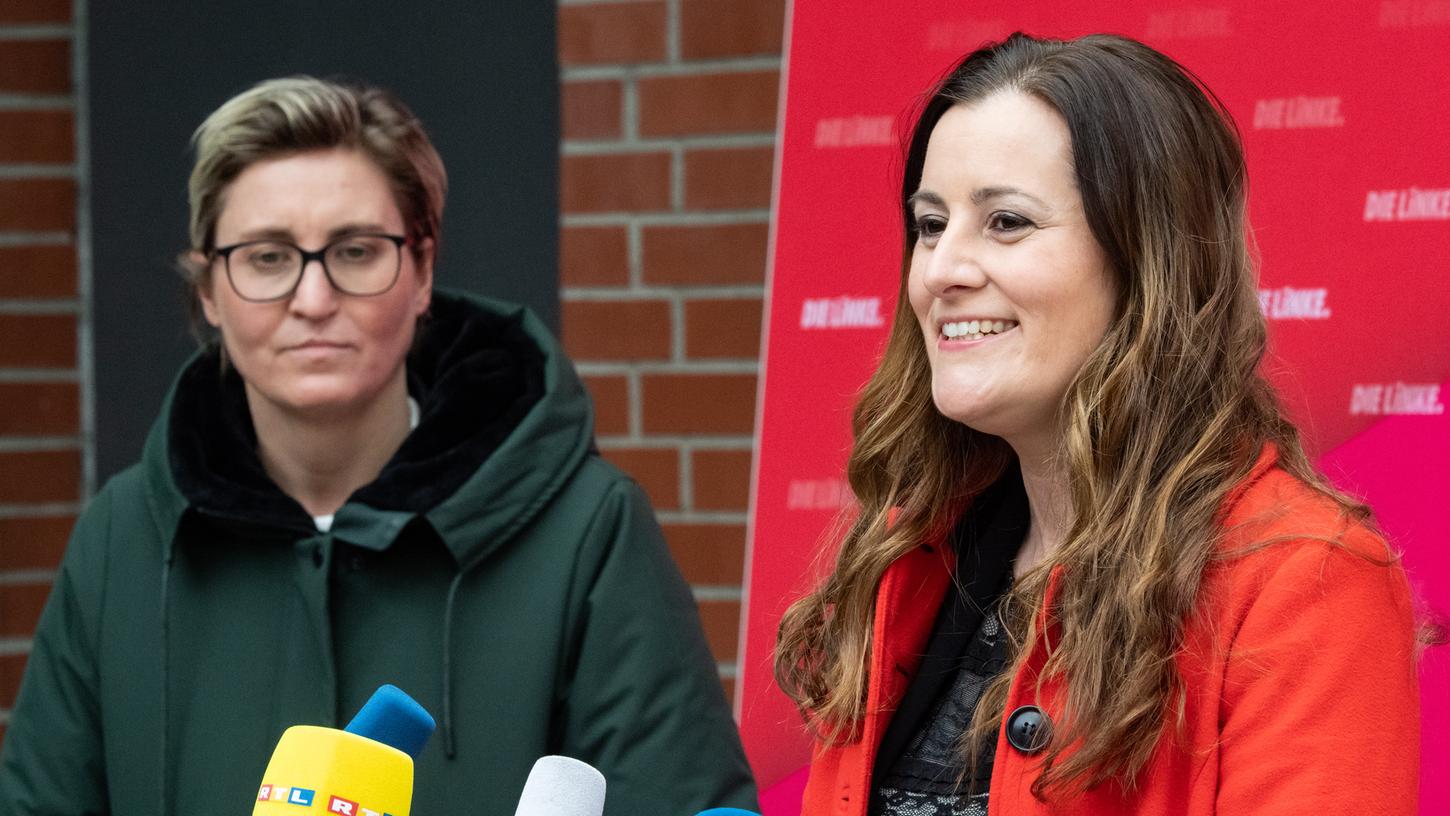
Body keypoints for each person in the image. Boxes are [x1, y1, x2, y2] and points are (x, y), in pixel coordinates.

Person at [0, 77, 758, 816]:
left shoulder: (586, 532)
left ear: (422, 270)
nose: (314, 298)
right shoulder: (123, 543)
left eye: (356, 252)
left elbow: (683, 799)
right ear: (208, 290)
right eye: (266, 256)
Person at [774, 33, 1426, 816]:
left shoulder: (1303, 586)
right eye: (930, 224)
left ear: (1146, 260)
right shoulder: (908, 558)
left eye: (1006, 222)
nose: (943, 268)